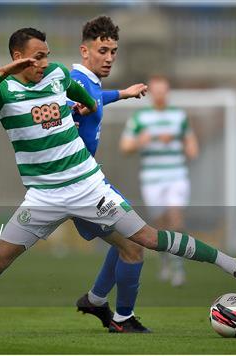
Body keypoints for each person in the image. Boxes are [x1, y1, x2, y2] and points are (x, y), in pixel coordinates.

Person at [0, 27, 236, 338]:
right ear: (18, 57)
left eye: (47, 56)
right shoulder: (3, 91)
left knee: (145, 239)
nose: (44, 62)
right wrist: (7, 71)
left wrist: (82, 106)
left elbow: (87, 98)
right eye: (37, 57)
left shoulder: (56, 75)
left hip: (88, 186)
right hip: (43, 197)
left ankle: (231, 264)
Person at [68, 16, 151, 333]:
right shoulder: (74, 84)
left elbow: (95, 97)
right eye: (103, 50)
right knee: (135, 245)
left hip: (85, 183)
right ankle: (123, 318)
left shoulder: (89, 83)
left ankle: (96, 300)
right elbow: (69, 106)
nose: (109, 58)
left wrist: (124, 93)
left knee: (127, 243)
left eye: (114, 51)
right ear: (85, 51)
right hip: (78, 188)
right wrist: (73, 115)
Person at [120, 75, 199, 287]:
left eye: (163, 90)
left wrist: (184, 146)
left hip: (176, 175)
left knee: (176, 218)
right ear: (150, 93)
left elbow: (192, 146)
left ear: (168, 92)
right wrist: (141, 141)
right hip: (152, 178)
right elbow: (125, 147)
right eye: (156, 90)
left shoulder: (179, 116)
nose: (160, 94)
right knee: (161, 224)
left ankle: (178, 267)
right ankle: (165, 259)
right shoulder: (140, 118)